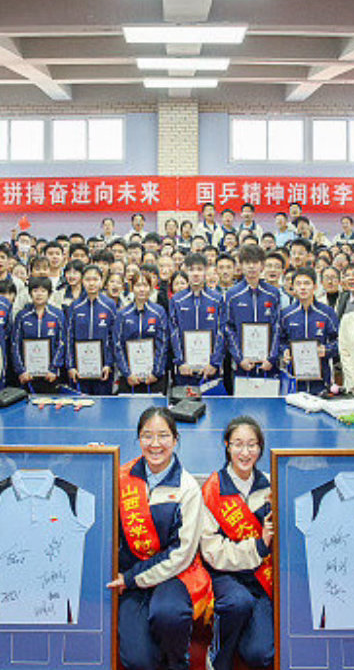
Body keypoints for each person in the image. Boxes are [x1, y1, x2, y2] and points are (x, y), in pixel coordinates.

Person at [109, 407, 210, 670]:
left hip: (173, 574)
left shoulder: (187, 488)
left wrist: (131, 579)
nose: (155, 444)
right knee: (137, 661)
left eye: (163, 436)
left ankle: (178, 662)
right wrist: (95, 461)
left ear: (175, 440)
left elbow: (182, 553)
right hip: (131, 576)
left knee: (169, 614)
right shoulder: (119, 477)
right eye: (147, 436)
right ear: (138, 439)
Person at [199, 417, 274, 670]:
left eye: (252, 445)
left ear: (260, 448)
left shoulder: (271, 487)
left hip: (261, 577)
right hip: (225, 575)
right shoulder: (212, 489)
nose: (245, 452)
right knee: (237, 603)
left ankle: (240, 629)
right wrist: (259, 546)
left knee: (260, 656)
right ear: (227, 446)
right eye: (238, 444)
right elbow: (212, 551)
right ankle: (217, 656)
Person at [224, 245, 281, 392]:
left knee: (269, 409)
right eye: (247, 262)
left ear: (262, 266)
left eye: (255, 262)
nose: (251, 266)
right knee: (243, 408)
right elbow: (228, 328)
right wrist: (239, 358)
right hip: (242, 364)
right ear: (241, 265)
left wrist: (272, 358)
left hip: (268, 364)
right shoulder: (232, 294)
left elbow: (277, 327)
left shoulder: (273, 293)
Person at [275, 267, 339, 394]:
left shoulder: (327, 313)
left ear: (315, 286)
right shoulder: (286, 314)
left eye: (307, 283)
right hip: (294, 379)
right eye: (298, 284)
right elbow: (279, 341)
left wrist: (326, 350)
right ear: (293, 288)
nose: (303, 288)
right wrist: (285, 351)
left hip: (321, 380)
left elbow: (339, 342)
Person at [169, 253, 226, 393]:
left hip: (210, 370)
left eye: (200, 269)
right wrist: (180, 362)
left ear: (206, 271)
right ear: (186, 271)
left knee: (213, 409)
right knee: (184, 409)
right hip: (185, 370)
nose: (196, 274)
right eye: (192, 269)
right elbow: (173, 332)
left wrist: (214, 363)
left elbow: (222, 332)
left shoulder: (217, 299)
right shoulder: (177, 300)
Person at [114, 270, 169, 394]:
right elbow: (118, 345)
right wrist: (127, 373)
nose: (142, 289)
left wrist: (156, 372)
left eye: (145, 285)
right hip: (130, 378)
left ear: (151, 288)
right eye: (138, 285)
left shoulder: (159, 312)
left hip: (154, 378)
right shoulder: (122, 314)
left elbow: (163, 343)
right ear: (132, 288)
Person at [66, 265, 116, 395]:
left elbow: (113, 337)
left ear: (101, 281)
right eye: (88, 279)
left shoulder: (109, 305)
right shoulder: (75, 306)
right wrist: (71, 365)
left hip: (103, 369)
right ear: (82, 281)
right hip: (79, 369)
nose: (91, 283)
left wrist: (109, 364)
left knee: (103, 407)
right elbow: (69, 337)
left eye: (95, 279)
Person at [11, 277, 67, 394]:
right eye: (35, 290)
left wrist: (54, 369)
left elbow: (62, 343)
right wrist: (21, 370)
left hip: (50, 375)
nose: (39, 294)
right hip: (27, 375)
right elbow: (15, 344)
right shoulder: (22, 316)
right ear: (30, 293)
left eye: (43, 291)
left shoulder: (57, 315)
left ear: (49, 293)